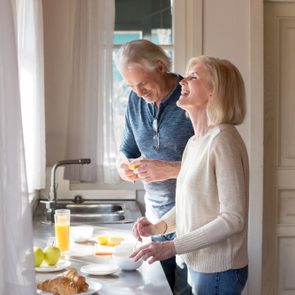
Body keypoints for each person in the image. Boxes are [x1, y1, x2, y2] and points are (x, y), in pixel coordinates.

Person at [131, 55, 249, 295]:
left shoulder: (223, 139)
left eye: (194, 76)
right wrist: (157, 228)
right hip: (199, 267)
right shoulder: (195, 142)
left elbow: (233, 218)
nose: (182, 81)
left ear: (214, 92)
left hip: (218, 271)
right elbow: (189, 204)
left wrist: (173, 247)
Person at [115, 39, 194, 294]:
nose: (138, 92)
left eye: (143, 83)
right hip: (154, 220)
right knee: (158, 290)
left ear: (160, 67)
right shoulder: (135, 101)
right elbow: (127, 151)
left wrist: (170, 169)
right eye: (131, 85)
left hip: (191, 219)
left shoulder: (190, 97)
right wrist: (123, 166)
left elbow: (211, 164)